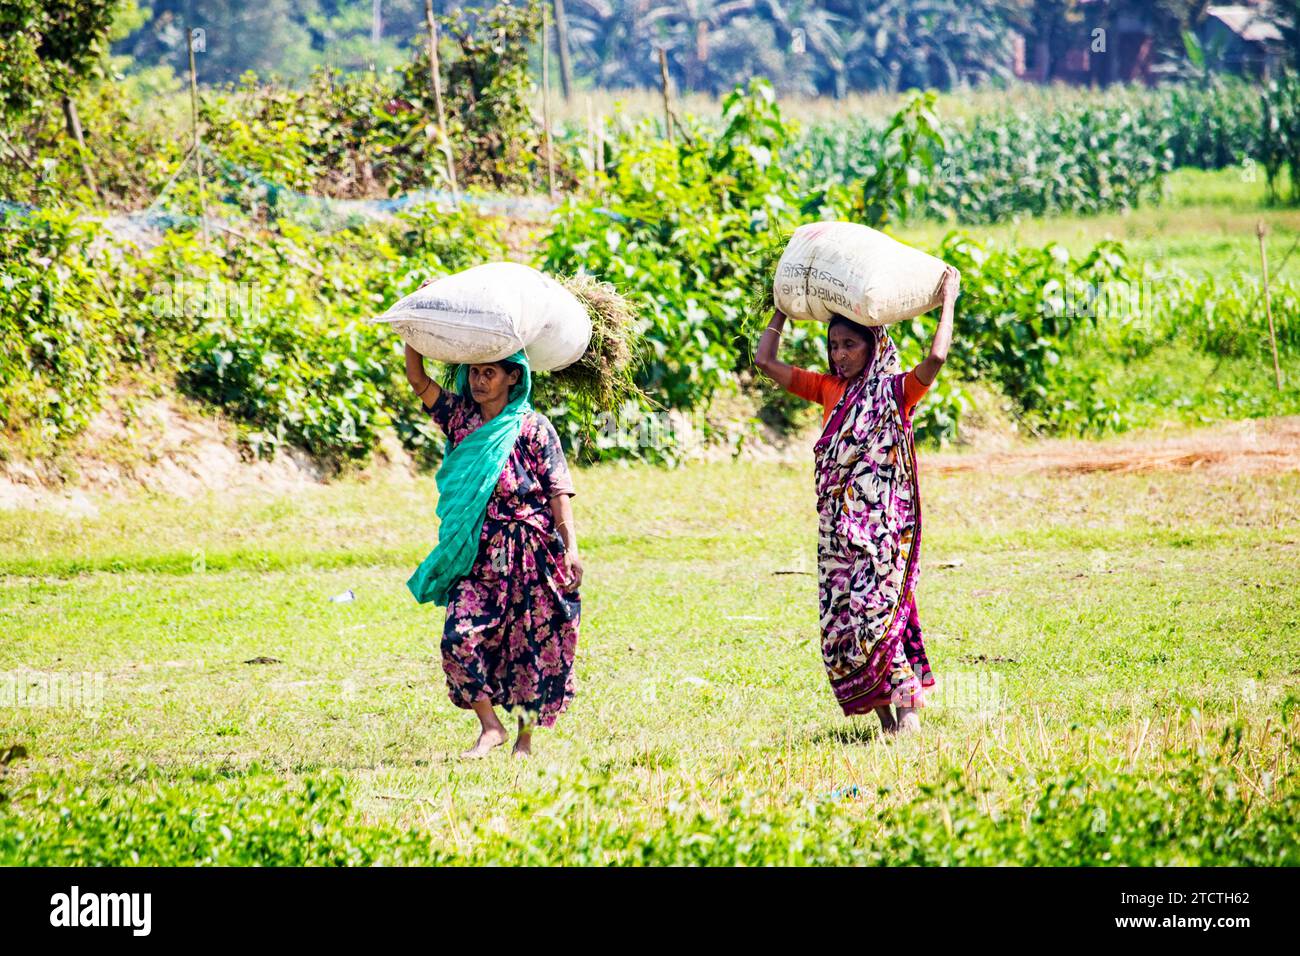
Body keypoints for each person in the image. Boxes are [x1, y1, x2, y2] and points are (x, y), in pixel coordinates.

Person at [754, 267, 960, 735]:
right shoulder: (829, 389)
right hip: (835, 536)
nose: (840, 355)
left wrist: (947, 301)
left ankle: (909, 711)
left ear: (874, 345)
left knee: (877, 616)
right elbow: (766, 360)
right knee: (841, 627)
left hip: (884, 535)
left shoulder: (894, 392)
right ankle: (885, 718)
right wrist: (782, 306)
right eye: (834, 346)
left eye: (850, 345)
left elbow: (937, 357)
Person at [404, 343, 582, 758]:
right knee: (458, 636)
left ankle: (524, 740)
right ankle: (490, 727)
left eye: (490, 373)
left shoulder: (534, 427)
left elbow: (558, 491)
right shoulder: (460, 420)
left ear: (513, 377)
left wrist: (571, 547)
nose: (479, 381)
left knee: (530, 646)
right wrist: (414, 327)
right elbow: (417, 379)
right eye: (475, 372)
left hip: (533, 552)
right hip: (479, 553)